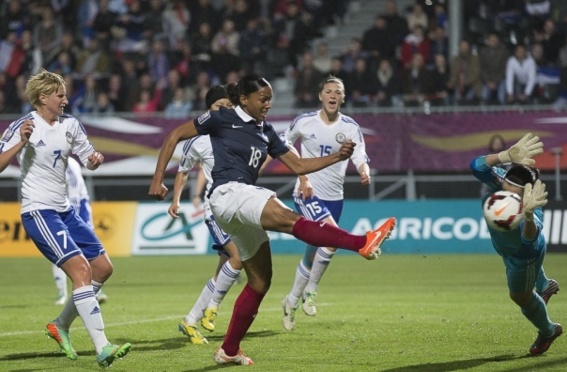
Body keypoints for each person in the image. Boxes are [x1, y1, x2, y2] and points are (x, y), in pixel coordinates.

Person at [149, 74, 396, 366]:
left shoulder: (266, 131)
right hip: (229, 192)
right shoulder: (221, 117)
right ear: (244, 99)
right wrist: (157, 179)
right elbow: (173, 136)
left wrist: (337, 157)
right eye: (262, 99)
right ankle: (362, 242)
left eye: (270, 99)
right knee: (288, 218)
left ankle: (228, 350)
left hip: (236, 206)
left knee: (260, 281)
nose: (268, 104)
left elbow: (299, 164)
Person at [0, 69, 131, 368]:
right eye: (60, 95)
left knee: (103, 268)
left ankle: (61, 324)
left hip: (65, 210)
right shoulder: (23, 126)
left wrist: (95, 160)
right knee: (81, 270)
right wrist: (20, 144)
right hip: (39, 211)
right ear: (43, 97)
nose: (66, 100)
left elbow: (88, 159)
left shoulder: (71, 126)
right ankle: (102, 346)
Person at [281, 76, 374, 331]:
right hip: (307, 193)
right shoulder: (304, 122)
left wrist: (364, 170)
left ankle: (290, 302)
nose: (333, 95)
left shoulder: (351, 127)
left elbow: (360, 155)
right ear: (320, 95)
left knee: (313, 253)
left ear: (343, 98)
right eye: (329, 91)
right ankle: (311, 290)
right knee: (332, 239)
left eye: (338, 92)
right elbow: (284, 144)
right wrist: (301, 175)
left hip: (335, 197)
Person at [470, 132, 562, 356]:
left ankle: (548, 330)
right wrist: (504, 154)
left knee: (519, 296)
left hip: (525, 255)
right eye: (505, 185)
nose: (505, 191)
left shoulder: (531, 207)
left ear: (525, 194)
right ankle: (544, 285)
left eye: (513, 191)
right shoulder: (503, 181)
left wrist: (528, 216)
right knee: (506, 247)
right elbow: (475, 166)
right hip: (507, 246)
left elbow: (529, 241)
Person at [170, 85, 243, 345]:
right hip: (217, 210)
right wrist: (176, 199)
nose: (223, 111)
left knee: (223, 269)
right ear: (208, 110)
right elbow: (183, 170)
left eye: (227, 106)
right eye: (218, 107)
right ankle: (212, 308)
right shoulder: (198, 140)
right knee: (238, 257)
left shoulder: (237, 133)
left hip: (238, 209)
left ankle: (189, 321)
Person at [53, 157, 108, 306]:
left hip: (78, 208)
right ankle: (62, 293)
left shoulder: (69, 164)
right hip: (58, 206)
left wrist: (72, 222)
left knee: (85, 249)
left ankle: (94, 288)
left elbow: (75, 194)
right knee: (58, 247)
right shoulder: (45, 160)